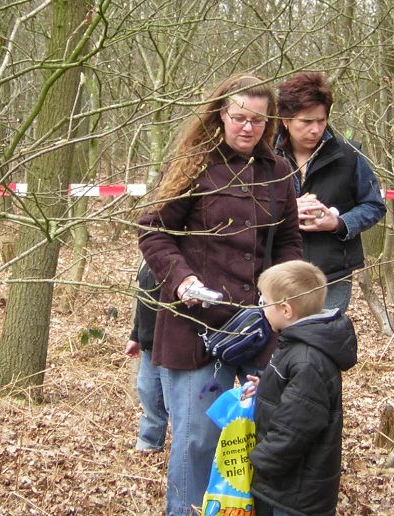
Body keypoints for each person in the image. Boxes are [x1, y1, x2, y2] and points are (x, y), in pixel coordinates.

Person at [138, 74, 302, 515]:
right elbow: (153, 230)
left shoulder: (278, 172)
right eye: (239, 117)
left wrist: (282, 294)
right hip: (195, 327)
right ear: (220, 115)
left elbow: (289, 242)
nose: (248, 128)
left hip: (259, 327)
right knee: (197, 439)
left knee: (263, 433)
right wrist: (183, 280)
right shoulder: (193, 164)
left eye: (258, 120)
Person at [242, 259, 357, 516]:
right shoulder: (296, 346)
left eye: (264, 302)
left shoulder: (307, 359)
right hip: (284, 486)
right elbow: (296, 399)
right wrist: (267, 387)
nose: (261, 308)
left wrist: (259, 461)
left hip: (294, 495)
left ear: (286, 310)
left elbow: (295, 429)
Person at [275, 72, 386, 312]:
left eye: (321, 120)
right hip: (275, 271)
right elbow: (244, 210)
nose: (315, 129)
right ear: (285, 120)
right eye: (306, 121)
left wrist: (339, 223)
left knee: (322, 334)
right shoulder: (264, 157)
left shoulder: (349, 156)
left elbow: (374, 205)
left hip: (331, 275)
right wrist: (286, 211)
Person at [123, 260, 168, 452]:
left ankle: (183, 452)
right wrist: (135, 336)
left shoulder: (177, 264)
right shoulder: (148, 261)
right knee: (149, 395)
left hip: (171, 347)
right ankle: (149, 443)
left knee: (175, 403)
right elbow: (142, 301)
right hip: (149, 348)